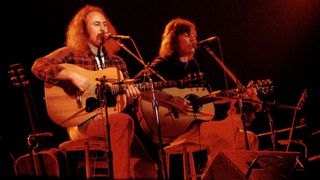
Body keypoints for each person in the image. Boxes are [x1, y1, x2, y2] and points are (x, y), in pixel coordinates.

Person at [31, 5, 157, 179]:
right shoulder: (72, 54)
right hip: (83, 122)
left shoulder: (117, 62)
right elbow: (39, 66)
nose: (103, 28)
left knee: (147, 168)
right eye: (96, 24)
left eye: (104, 24)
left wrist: (131, 97)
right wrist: (71, 76)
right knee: (123, 122)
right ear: (83, 31)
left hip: (114, 123)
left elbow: (123, 100)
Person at [134, 17, 262, 174]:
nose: (193, 38)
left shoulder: (193, 66)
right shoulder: (163, 63)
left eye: (194, 35)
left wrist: (238, 95)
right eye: (187, 34)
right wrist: (173, 101)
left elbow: (206, 100)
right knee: (224, 131)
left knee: (249, 139)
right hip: (172, 130)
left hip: (194, 127)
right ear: (173, 39)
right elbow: (137, 84)